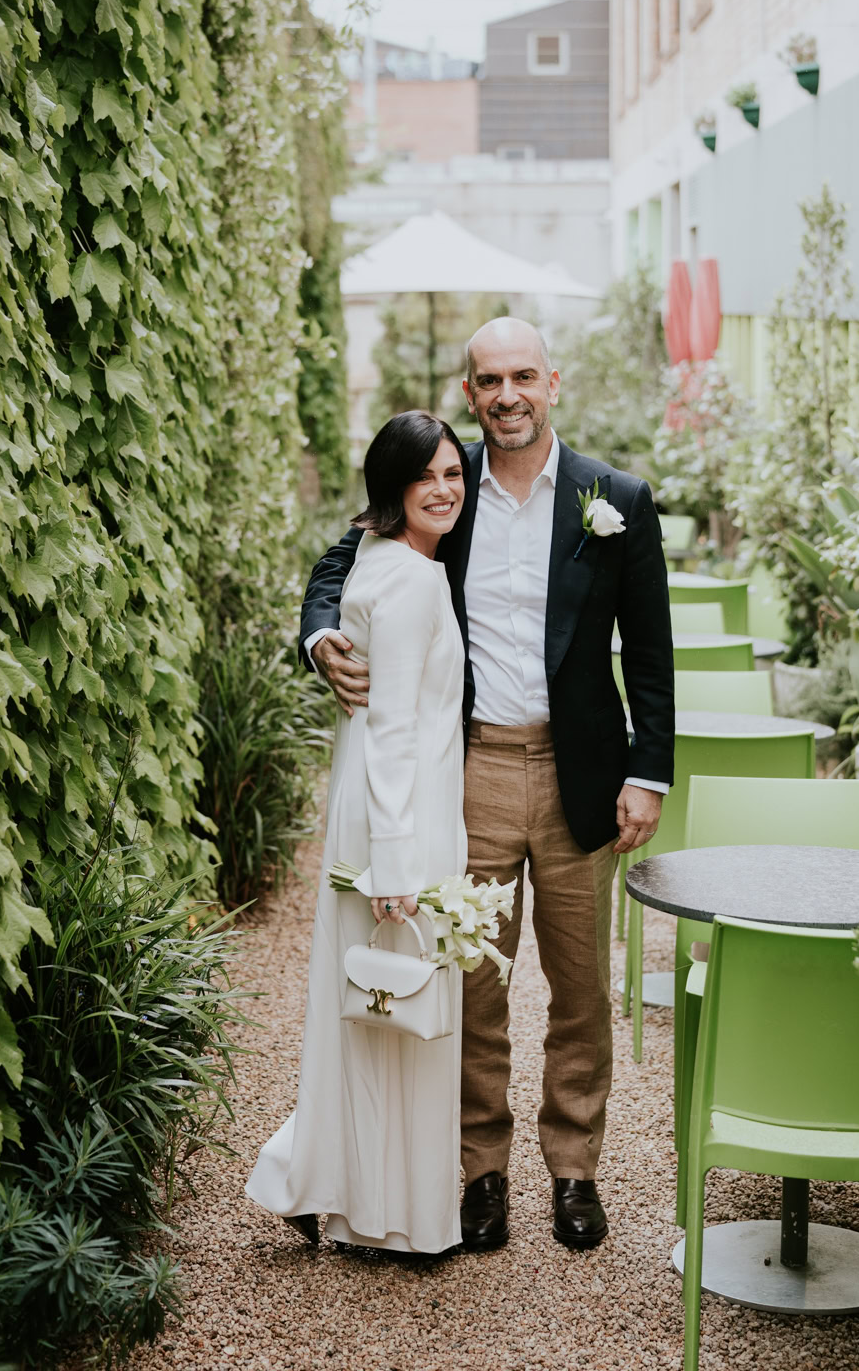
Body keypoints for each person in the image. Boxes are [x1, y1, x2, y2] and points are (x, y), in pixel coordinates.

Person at [302, 318, 674, 1252]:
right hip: (473, 771)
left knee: (582, 989)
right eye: (488, 381)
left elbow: (655, 653)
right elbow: (342, 562)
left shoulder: (615, 498)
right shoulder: (442, 486)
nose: (506, 394)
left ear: (553, 383)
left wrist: (649, 773)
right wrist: (320, 640)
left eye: (523, 377)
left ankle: (575, 1169)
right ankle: (481, 1171)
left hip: (582, 774)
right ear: (470, 392)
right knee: (472, 984)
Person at [246, 411, 469, 1255]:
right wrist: (398, 862)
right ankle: (395, 1217)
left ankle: (331, 1188)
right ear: (393, 489)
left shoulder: (384, 558)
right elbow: (394, 731)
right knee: (396, 1015)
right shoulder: (413, 581)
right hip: (396, 817)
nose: (446, 489)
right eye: (427, 477)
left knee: (367, 1015)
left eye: (454, 472)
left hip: (376, 810)